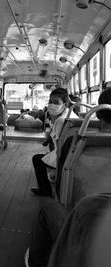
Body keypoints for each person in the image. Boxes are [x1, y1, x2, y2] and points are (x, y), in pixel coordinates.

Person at [25, 88, 111, 267]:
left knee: (48, 208)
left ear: (100, 114)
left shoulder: (77, 141)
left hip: (91, 243)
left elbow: (65, 180)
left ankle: (36, 262)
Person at [31, 88, 78, 196]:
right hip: (72, 154)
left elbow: (57, 144)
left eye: (56, 102)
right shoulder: (72, 116)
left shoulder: (61, 120)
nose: (52, 105)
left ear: (65, 105)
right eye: (50, 102)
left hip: (63, 157)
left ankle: (45, 190)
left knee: (37, 159)